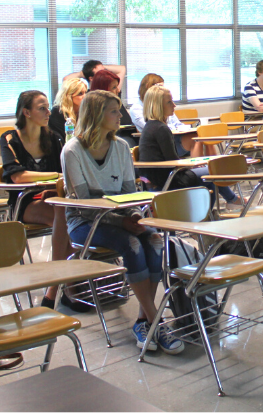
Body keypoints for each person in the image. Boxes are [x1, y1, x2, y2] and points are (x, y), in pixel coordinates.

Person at [61, 90, 184, 354]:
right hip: (86, 223)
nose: (120, 116)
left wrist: (136, 215)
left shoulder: (121, 147)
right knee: (132, 244)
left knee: (153, 240)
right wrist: (125, 223)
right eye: (114, 111)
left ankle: (143, 320)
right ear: (96, 115)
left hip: (122, 218)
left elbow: (131, 194)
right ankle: (155, 321)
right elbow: (85, 205)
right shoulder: (72, 150)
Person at [0, 91, 88, 312]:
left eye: (48, 107)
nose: (49, 112)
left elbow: (64, 170)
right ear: (26, 112)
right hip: (26, 203)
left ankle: (57, 286)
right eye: (42, 108)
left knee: (65, 210)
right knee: (63, 211)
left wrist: (55, 180)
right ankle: (67, 286)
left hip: (54, 198)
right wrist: (53, 178)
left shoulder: (54, 138)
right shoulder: (10, 138)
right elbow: (17, 176)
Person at [139, 85, 241, 206]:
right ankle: (230, 201)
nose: (174, 105)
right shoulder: (161, 129)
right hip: (168, 180)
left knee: (209, 175)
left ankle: (223, 205)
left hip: (159, 177)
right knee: (213, 171)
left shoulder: (150, 126)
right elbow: (174, 162)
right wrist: (191, 166)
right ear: (158, 106)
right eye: (169, 102)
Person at [129, 73, 201, 157]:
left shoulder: (163, 114)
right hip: (162, 145)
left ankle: (211, 168)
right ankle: (204, 168)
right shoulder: (138, 110)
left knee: (202, 136)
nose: (174, 105)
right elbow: (172, 161)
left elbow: (177, 124)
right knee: (195, 139)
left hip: (174, 138)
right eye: (159, 87)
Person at [90, 69, 136, 147]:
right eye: (114, 87)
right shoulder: (94, 109)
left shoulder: (117, 102)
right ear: (103, 90)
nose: (118, 90)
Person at [49, 78, 88, 142]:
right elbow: (62, 138)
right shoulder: (58, 111)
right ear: (69, 96)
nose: (85, 96)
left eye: (85, 92)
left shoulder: (86, 110)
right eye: (80, 93)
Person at [61, 59, 126, 87]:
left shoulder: (112, 89)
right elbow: (66, 79)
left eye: (105, 70)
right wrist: (84, 73)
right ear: (91, 78)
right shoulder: (86, 96)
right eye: (100, 73)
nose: (105, 74)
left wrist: (101, 67)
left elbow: (121, 69)